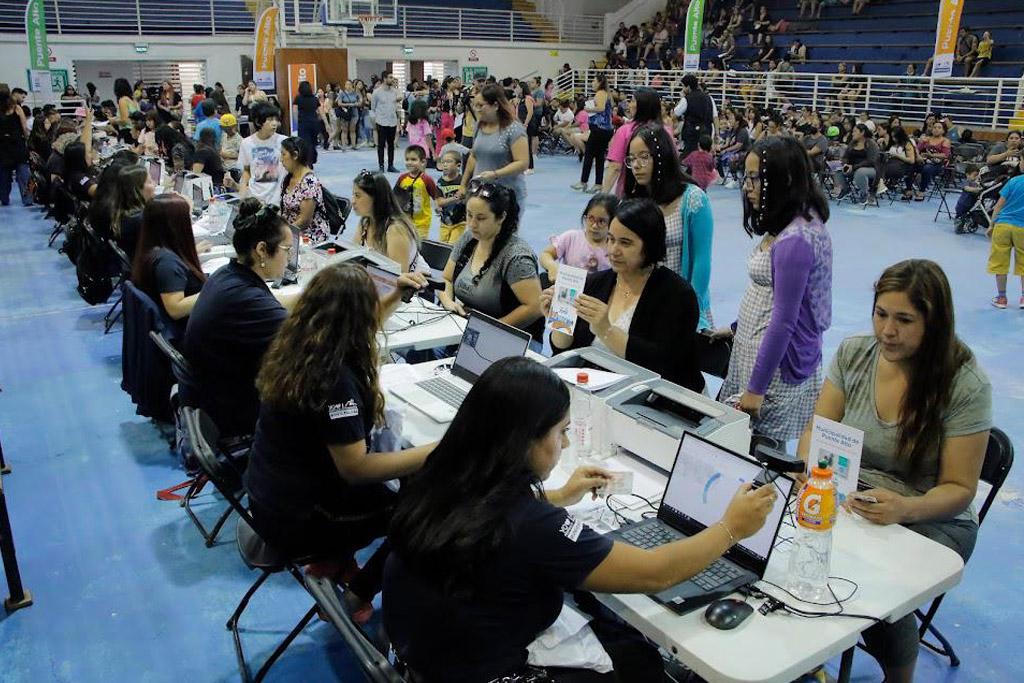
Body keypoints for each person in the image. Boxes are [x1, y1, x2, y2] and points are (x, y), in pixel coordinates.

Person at [385, 356, 776, 682]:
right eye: (561, 432)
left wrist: (558, 497)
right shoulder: (535, 526)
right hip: (488, 670)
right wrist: (731, 528)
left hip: (424, 658)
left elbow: (490, 516)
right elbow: (655, 573)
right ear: (523, 440)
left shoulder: (441, 471)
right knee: (640, 661)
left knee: (609, 626)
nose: (567, 444)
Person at [797, 259, 990, 683]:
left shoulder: (965, 383)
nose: (887, 330)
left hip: (932, 515)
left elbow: (960, 488)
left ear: (934, 323)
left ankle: (899, 676)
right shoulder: (854, 353)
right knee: (790, 538)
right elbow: (816, 430)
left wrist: (905, 508)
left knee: (869, 576)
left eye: (904, 320)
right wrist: (815, 474)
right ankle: (803, 651)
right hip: (856, 494)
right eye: (881, 314)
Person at [245, 262, 433, 620]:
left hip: (268, 498)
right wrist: (437, 449)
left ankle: (336, 558)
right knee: (425, 507)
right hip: (302, 521)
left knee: (409, 475)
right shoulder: (334, 381)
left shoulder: (299, 346)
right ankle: (363, 587)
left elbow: (360, 325)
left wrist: (395, 296)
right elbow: (357, 468)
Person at [717, 136, 832, 440]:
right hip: (755, 350)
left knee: (760, 454)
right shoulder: (793, 222)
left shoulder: (795, 239)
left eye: (755, 178)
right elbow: (773, 295)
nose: (747, 186)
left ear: (785, 179)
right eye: (747, 177)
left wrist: (756, 389)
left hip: (772, 367)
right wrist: (735, 328)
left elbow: (784, 321)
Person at [545, 198, 705, 392]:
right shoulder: (595, 283)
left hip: (659, 400)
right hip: (600, 392)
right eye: (610, 239)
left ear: (650, 245)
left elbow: (663, 367)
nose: (613, 250)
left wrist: (606, 329)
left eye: (625, 243)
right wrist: (559, 318)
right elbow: (563, 351)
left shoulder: (677, 296)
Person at [183, 200, 296, 438]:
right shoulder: (246, 299)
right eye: (287, 250)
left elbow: (274, 305)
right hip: (237, 409)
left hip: (210, 396)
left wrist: (316, 293)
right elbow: (308, 340)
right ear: (262, 250)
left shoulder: (227, 274)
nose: (289, 259)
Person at [624, 124, 715, 330]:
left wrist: (692, 310)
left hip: (681, 304)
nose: (636, 165)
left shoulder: (693, 199)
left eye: (644, 157)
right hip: (641, 303)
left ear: (661, 156)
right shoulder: (633, 203)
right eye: (631, 158)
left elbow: (702, 260)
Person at [438, 181, 542, 336]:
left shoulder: (516, 257)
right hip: (467, 328)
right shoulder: (468, 238)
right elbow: (446, 278)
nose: (472, 224)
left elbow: (535, 307)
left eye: (481, 218)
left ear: (501, 217)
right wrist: (448, 302)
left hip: (509, 336)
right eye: (469, 215)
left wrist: (489, 330)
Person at [131, 194, 206, 337]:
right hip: (190, 335)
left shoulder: (153, 249)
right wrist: (214, 290)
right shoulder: (167, 263)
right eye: (188, 218)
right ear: (176, 225)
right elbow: (176, 309)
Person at [459, 83, 529, 218]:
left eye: (481, 105)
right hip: (481, 194)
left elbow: (522, 163)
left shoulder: (514, 129)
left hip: (507, 195)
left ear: (496, 106)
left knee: (503, 237)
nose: (476, 109)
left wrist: (495, 174)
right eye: (475, 105)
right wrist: (463, 184)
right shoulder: (479, 126)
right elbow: (474, 156)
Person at [352, 170, 429, 274]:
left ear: (376, 199)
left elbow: (400, 278)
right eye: (353, 195)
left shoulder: (395, 229)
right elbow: (352, 259)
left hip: (413, 286)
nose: (353, 201)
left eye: (357, 196)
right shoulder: (365, 222)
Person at [602, 88, 674, 195]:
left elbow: (615, 167)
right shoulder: (667, 131)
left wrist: (602, 197)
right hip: (661, 192)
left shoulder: (625, 131)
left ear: (641, 105)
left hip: (631, 191)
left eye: (632, 101)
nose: (629, 105)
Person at [540, 193, 617, 282]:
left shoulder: (614, 247)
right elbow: (546, 254)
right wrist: (552, 266)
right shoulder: (571, 237)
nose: (595, 226)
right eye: (591, 218)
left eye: (602, 221)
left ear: (612, 222)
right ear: (585, 217)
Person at [986, 164, 1024, 309]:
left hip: (1003, 226)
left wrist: (991, 225)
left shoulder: (1013, 181)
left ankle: (1001, 298)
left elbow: (999, 205)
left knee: (1000, 262)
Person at [572, 74, 613, 194]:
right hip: (604, 129)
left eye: (594, 81)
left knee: (589, 155)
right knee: (599, 156)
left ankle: (583, 182)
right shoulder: (606, 93)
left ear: (600, 82)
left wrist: (588, 109)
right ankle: (598, 184)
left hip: (600, 129)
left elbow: (600, 108)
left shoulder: (600, 93)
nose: (592, 83)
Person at [239, 101, 286, 204]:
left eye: (276, 119)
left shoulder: (284, 142)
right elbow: (246, 170)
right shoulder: (246, 143)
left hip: (277, 200)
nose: (274, 123)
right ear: (258, 122)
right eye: (269, 120)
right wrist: (242, 194)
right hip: (255, 197)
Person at [108, 164, 155, 260]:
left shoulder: (122, 210)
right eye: (150, 181)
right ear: (137, 190)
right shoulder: (141, 220)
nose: (154, 184)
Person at [394, 145, 440, 240]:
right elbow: (395, 195)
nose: (409, 162)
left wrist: (437, 206)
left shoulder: (426, 179)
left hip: (422, 222)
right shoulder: (402, 178)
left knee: (419, 245)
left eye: (414, 159)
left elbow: (436, 195)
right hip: (405, 220)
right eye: (407, 159)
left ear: (422, 162)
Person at [830, 122, 881, 205]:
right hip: (852, 167)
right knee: (837, 169)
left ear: (862, 132)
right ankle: (845, 189)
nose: (852, 133)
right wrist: (845, 164)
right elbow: (845, 157)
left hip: (870, 169)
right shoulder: (852, 143)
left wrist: (853, 167)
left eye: (855, 131)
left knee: (860, 172)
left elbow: (871, 161)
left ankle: (864, 193)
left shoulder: (871, 143)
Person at [0, 88, 30, 207]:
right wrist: (26, 139)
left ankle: (4, 198)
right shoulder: (17, 108)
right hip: (17, 144)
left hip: (2, 146)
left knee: (3, 177)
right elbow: (24, 128)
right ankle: (27, 199)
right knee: (24, 175)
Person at [674, 74, 716, 160]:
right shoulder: (709, 98)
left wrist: (682, 97)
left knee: (686, 159)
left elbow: (675, 114)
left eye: (683, 86)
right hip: (707, 131)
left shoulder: (686, 99)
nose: (683, 89)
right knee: (704, 157)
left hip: (692, 133)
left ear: (688, 87)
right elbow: (714, 116)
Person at [435, 149, 467, 244]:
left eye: (448, 161)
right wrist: (455, 199)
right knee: (442, 246)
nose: (445, 164)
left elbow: (469, 199)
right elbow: (440, 201)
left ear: (458, 165)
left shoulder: (463, 181)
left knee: (452, 246)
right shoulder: (440, 182)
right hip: (444, 222)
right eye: (443, 162)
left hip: (460, 222)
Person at [371, 71, 401, 173]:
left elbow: (398, 102)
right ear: (384, 79)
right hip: (381, 121)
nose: (392, 79)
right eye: (390, 77)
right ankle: (381, 165)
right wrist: (376, 119)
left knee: (391, 144)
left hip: (392, 121)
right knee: (381, 145)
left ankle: (391, 165)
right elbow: (373, 108)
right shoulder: (376, 92)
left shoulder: (395, 91)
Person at [916, 121, 951, 199]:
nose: (936, 129)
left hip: (937, 165)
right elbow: (916, 150)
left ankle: (922, 190)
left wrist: (931, 155)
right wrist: (918, 156)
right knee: (911, 165)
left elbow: (945, 155)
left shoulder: (945, 141)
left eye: (939, 128)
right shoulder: (926, 139)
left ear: (943, 131)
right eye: (934, 127)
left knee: (927, 168)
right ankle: (909, 189)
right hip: (923, 161)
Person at [884, 126, 919, 201]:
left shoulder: (907, 144)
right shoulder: (892, 143)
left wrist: (897, 156)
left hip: (904, 165)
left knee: (884, 170)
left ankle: (880, 184)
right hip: (890, 162)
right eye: (892, 136)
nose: (893, 139)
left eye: (895, 137)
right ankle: (879, 184)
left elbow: (912, 160)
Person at [293, 80, 320, 167]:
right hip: (314, 122)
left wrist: (295, 124)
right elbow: (320, 112)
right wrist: (326, 123)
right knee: (313, 142)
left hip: (303, 123)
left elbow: (294, 112)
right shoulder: (315, 99)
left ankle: (308, 160)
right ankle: (312, 158)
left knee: (305, 143)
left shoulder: (298, 98)